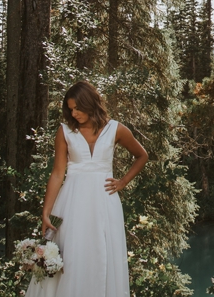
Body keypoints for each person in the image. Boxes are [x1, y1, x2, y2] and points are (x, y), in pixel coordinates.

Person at [24, 80, 148, 297]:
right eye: (70, 109)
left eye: (78, 108)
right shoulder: (64, 132)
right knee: (72, 255)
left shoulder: (115, 129)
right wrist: (46, 212)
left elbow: (142, 155)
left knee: (103, 255)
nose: (74, 114)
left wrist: (122, 182)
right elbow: (57, 173)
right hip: (71, 202)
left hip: (105, 202)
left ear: (90, 104)